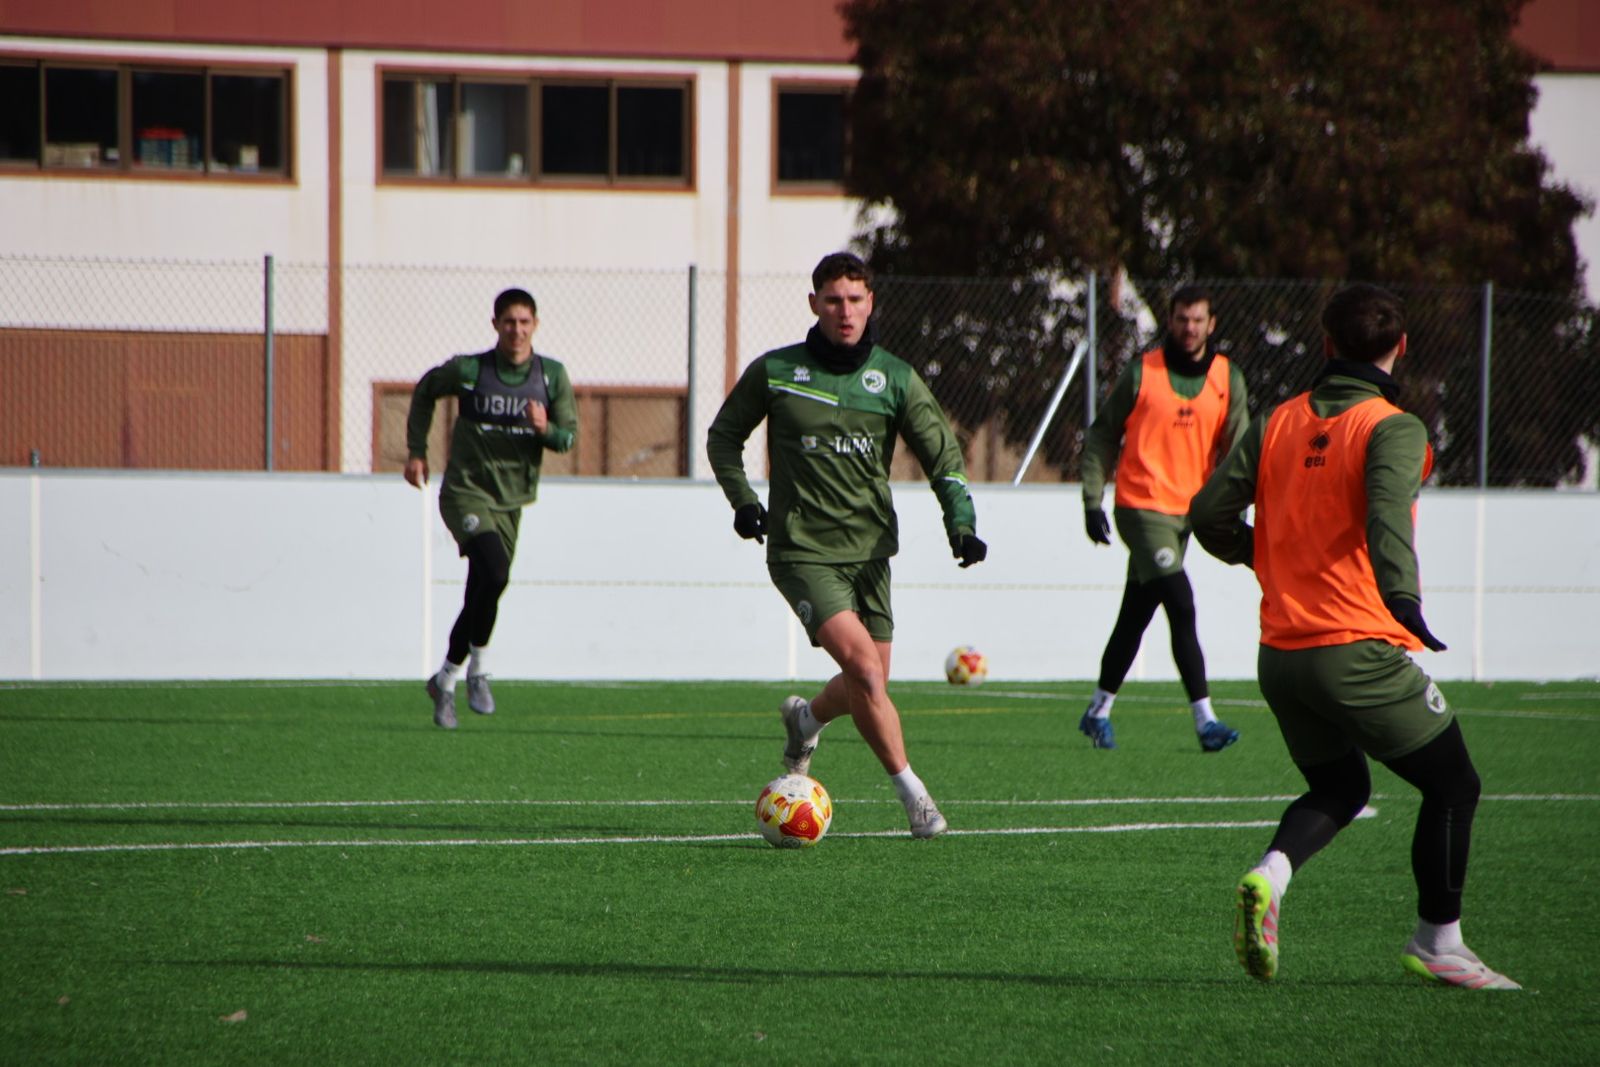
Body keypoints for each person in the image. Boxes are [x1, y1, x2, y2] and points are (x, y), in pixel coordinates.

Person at [1190, 283, 1519, 990]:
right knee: (1455, 783)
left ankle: (1269, 877)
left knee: (1339, 786)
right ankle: (1440, 942)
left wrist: (1265, 553)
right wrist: (1404, 599)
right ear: (1400, 348)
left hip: (1280, 655)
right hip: (1354, 648)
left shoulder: (1277, 420)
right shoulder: (1393, 425)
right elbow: (1386, 516)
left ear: (1327, 343)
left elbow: (1206, 512)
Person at [706, 252, 987, 839]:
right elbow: (723, 436)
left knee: (870, 683)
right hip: (801, 551)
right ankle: (916, 797)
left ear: (871, 304)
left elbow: (944, 457)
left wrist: (960, 521)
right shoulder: (777, 371)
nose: (845, 312)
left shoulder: (896, 378)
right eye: (833, 300)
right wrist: (742, 500)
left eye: (856, 300)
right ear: (814, 304)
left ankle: (806, 719)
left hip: (871, 554)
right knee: (863, 668)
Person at [1077, 284, 1248, 751]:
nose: (1189, 328)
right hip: (1141, 506)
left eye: (1197, 320)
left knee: (1136, 615)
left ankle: (1098, 710)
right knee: (1181, 601)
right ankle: (1205, 721)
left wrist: (1236, 507)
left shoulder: (1227, 378)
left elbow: (1239, 452)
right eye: (1181, 319)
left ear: (1211, 325)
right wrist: (1093, 500)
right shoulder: (1141, 373)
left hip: (1187, 515)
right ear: (1169, 321)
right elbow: (1101, 437)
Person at [404, 288, 577, 729]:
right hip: (465, 491)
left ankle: (445, 680)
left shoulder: (551, 375)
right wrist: (416, 451)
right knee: (494, 572)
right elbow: (425, 390)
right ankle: (478, 669)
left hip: (511, 500)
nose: (516, 330)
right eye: (508, 322)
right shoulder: (470, 370)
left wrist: (545, 429)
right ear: (495, 324)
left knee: (485, 587)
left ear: (535, 324)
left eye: (524, 322)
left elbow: (568, 438)